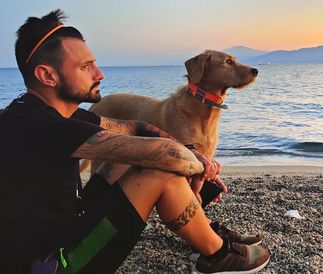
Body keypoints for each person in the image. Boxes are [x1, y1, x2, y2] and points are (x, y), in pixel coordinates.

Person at [0, 10, 270, 273]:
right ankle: (218, 254)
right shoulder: (39, 124)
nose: (99, 74)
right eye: (86, 67)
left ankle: (207, 233)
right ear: (48, 76)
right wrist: (201, 166)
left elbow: (137, 127)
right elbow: (164, 155)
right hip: (54, 263)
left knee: (146, 159)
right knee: (158, 167)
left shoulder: (50, 113)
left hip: (70, 222)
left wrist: (193, 157)